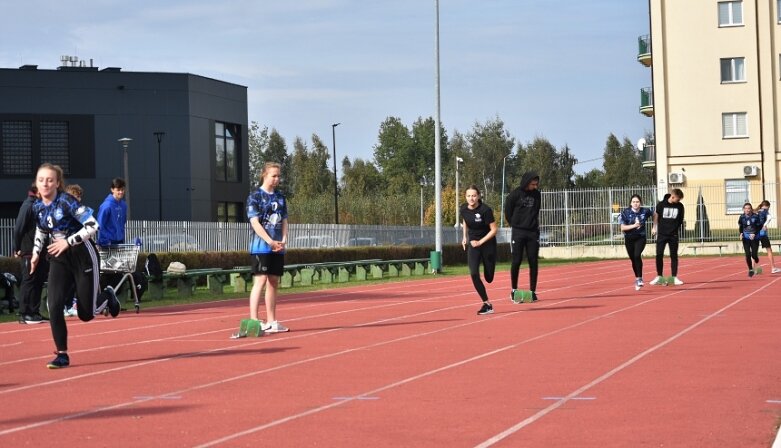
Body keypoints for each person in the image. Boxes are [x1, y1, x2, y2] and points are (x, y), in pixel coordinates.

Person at [30, 164, 120, 369]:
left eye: (50, 180)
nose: (45, 183)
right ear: (36, 182)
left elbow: (93, 225)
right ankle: (62, 354)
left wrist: (68, 241)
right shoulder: (37, 206)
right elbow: (42, 230)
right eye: (41, 179)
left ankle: (107, 296)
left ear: (58, 183)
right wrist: (36, 253)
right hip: (59, 257)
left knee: (86, 314)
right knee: (53, 305)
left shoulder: (66, 202)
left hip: (82, 255)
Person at [246, 162, 289, 333]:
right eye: (274, 175)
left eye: (278, 176)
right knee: (261, 280)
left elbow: (284, 220)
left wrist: (283, 239)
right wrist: (270, 241)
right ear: (264, 175)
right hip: (261, 246)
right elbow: (255, 223)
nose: (277, 179)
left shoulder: (280, 197)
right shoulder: (254, 197)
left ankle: (272, 321)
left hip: (278, 247)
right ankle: (254, 319)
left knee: (273, 281)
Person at [13, 184, 49, 324]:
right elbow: (18, 228)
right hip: (28, 250)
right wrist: (17, 248)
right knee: (29, 281)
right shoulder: (28, 205)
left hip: (40, 251)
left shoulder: (40, 205)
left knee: (38, 281)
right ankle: (24, 313)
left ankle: (34, 312)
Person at [460, 185, 498, 315]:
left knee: (489, 277)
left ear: (479, 196)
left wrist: (480, 242)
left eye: (474, 196)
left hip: (488, 244)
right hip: (473, 245)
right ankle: (487, 303)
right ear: (466, 197)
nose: (471, 198)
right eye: (469, 196)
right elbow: (465, 220)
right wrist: (464, 237)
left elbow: (494, 230)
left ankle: (490, 269)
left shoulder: (485, 210)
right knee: (474, 273)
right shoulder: (463, 209)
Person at [504, 171, 542, 302]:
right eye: (533, 184)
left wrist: (532, 225)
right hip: (518, 231)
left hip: (532, 232)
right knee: (516, 261)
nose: (535, 186)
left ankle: (533, 291)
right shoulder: (514, 195)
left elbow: (536, 210)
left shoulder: (537, 195)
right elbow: (508, 212)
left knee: (533, 261)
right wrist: (515, 224)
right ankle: (514, 290)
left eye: (536, 184)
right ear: (527, 182)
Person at [650, 189, 685, 285]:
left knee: (674, 256)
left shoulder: (680, 206)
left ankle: (674, 277)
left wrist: (675, 229)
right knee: (659, 255)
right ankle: (659, 277)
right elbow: (656, 216)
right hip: (662, 234)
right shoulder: (661, 204)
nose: (679, 201)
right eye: (678, 199)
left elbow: (680, 220)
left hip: (673, 235)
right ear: (673, 196)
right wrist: (654, 227)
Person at [620, 195, 655, 291]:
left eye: (637, 201)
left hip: (640, 237)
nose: (636, 203)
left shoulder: (645, 211)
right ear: (631, 203)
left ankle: (640, 278)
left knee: (637, 255)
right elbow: (622, 228)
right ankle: (637, 278)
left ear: (640, 203)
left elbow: (655, 214)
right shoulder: (625, 212)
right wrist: (634, 226)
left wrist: (654, 226)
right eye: (634, 202)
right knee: (633, 259)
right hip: (629, 238)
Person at [63, 184, 84, 317]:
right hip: (66, 249)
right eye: (76, 196)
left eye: (79, 196)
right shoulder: (63, 210)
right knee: (66, 279)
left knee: (74, 280)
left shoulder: (80, 211)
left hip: (77, 248)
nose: (79, 199)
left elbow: (89, 227)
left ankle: (70, 305)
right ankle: (63, 305)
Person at [96, 177, 127, 247]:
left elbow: (123, 222)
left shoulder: (124, 205)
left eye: (122, 189)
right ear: (112, 190)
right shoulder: (106, 205)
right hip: (108, 243)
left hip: (120, 241)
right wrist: (104, 240)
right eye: (118, 190)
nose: (121, 192)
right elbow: (100, 224)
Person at [738, 202, 764, 277]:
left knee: (754, 255)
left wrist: (754, 234)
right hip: (745, 237)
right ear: (743, 209)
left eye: (749, 208)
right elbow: (740, 226)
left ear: (751, 209)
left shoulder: (756, 216)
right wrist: (741, 233)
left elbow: (759, 227)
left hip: (755, 237)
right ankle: (750, 269)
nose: (747, 210)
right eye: (746, 208)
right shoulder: (742, 217)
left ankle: (756, 258)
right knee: (748, 254)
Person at [756, 200, 781, 274]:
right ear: (767, 206)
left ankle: (752, 269)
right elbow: (769, 218)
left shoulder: (756, 211)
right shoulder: (765, 210)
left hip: (755, 233)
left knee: (754, 251)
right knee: (769, 250)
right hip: (763, 233)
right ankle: (773, 268)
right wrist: (764, 225)